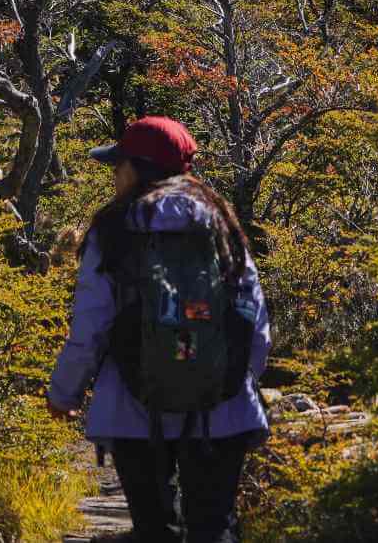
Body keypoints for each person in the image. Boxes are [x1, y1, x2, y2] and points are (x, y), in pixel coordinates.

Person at [46, 116, 271, 543]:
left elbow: (91, 325)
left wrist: (64, 393)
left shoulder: (114, 227)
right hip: (219, 410)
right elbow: (253, 317)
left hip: (133, 408)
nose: (115, 175)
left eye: (119, 165)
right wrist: (231, 377)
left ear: (137, 168)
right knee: (213, 529)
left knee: (153, 531)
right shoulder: (219, 219)